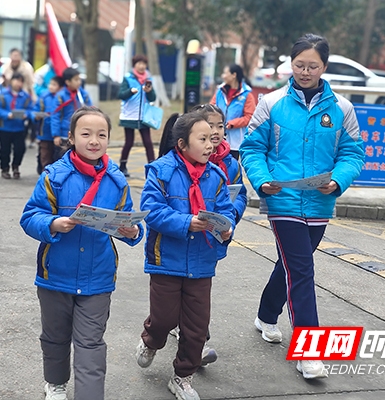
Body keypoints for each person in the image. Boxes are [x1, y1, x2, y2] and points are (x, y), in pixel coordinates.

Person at [240, 33, 365, 380]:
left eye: (312, 66)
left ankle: (266, 315)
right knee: (303, 270)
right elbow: (252, 148)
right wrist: (262, 180)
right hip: (282, 198)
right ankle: (308, 350)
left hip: (320, 201)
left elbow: (352, 153)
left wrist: (338, 181)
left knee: (291, 266)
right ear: (290, 64)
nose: (305, 72)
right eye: (299, 65)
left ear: (325, 66)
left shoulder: (342, 108)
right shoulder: (272, 103)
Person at [20, 106, 143, 400]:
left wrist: (133, 232)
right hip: (55, 276)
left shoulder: (117, 181)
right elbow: (29, 216)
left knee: (90, 343)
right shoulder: (54, 176)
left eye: (101, 134)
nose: (94, 140)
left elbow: (128, 219)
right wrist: (53, 223)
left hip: (97, 278)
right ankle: (55, 383)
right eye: (85, 133)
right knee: (55, 338)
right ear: (71, 138)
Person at [136, 112, 235, 400]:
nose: (210, 145)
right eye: (202, 139)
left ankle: (182, 377)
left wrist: (227, 227)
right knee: (164, 319)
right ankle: (151, 340)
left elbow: (226, 210)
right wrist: (185, 222)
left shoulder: (216, 176)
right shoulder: (161, 171)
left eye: (212, 139)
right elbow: (151, 211)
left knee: (196, 328)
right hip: (166, 260)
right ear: (182, 144)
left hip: (202, 262)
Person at [118, 54, 157, 177]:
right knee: (129, 142)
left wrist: (149, 92)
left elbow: (153, 97)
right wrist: (130, 91)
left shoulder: (148, 79)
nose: (142, 66)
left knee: (148, 142)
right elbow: (121, 94)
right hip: (130, 115)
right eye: (139, 64)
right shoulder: (128, 78)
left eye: (144, 64)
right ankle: (122, 166)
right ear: (134, 65)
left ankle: (152, 167)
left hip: (144, 115)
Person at [210, 64, 256, 160]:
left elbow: (249, 117)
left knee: (230, 169)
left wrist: (231, 124)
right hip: (216, 137)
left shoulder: (246, 95)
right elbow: (210, 109)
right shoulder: (220, 91)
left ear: (233, 75)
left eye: (225, 73)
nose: (223, 76)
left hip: (234, 142)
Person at [0, 72, 33, 179]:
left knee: (20, 148)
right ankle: (4, 168)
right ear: (11, 81)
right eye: (16, 80)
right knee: (4, 150)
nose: (18, 83)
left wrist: (27, 115)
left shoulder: (25, 96)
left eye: (21, 81)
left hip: (19, 127)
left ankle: (16, 166)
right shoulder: (3, 95)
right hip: (5, 127)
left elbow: (31, 109)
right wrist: (7, 115)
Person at [51, 67, 92, 149]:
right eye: (76, 80)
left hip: (80, 133)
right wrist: (56, 135)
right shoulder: (60, 96)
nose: (79, 82)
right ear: (67, 82)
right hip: (64, 134)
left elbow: (91, 111)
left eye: (79, 79)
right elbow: (55, 116)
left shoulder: (83, 95)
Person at [32, 76, 64, 173]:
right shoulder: (44, 96)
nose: (51, 87)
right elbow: (35, 110)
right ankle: (44, 177)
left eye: (54, 85)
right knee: (45, 156)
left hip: (60, 134)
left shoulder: (63, 97)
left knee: (58, 158)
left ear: (61, 87)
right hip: (45, 133)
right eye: (50, 84)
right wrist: (36, 117)